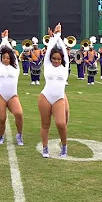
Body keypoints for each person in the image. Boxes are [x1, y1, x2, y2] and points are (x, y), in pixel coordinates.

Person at [38, 23, 70, 158]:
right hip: (45, 97)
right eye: (54, 58)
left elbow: (62, 47)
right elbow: (50, 47)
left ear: (62, 58)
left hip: (58, 98)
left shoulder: (65, 66)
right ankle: (45, 148)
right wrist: (53, 38)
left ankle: (64, 146)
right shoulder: (47, 65)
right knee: (45, 124)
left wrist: (58, 35)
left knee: (61, 124)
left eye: (58, 58)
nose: (56, 60)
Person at [0, 30, 25, 145]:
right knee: (2, 118)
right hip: (0, 95)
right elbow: (0, 52)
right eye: (4, 58)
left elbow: (11, 54)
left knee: (19, 113)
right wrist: (4, 40)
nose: (6, 59)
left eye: (8, 58)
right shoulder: (0, 66)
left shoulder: (16, 67)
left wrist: (7, 39)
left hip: (12, 95)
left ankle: (19, 135)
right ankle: (1, 136)